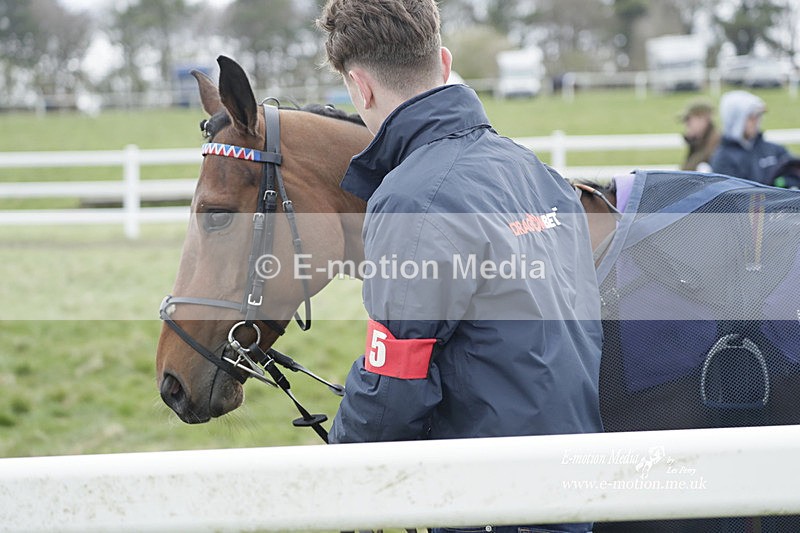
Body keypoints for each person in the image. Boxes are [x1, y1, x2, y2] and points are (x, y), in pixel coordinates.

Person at [317, 2, 603, 532]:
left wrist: (339, 467)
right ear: (444, 63)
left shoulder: (411, 199)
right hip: (575, 489)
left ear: (361, 88)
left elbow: (395, 381)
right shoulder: (535, 173)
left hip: (495, 502)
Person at [710, 90, 791, 184]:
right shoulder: (723, 159)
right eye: (751, 117)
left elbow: (794, 171)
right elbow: (733, 195)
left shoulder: (773, 150)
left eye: (758, 116)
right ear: (735, 120)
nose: (756, 121)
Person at [679, 99, 720, 172]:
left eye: (688, 120)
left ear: (703, 118)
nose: (687, 125)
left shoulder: (714, 146)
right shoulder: (700, 143)